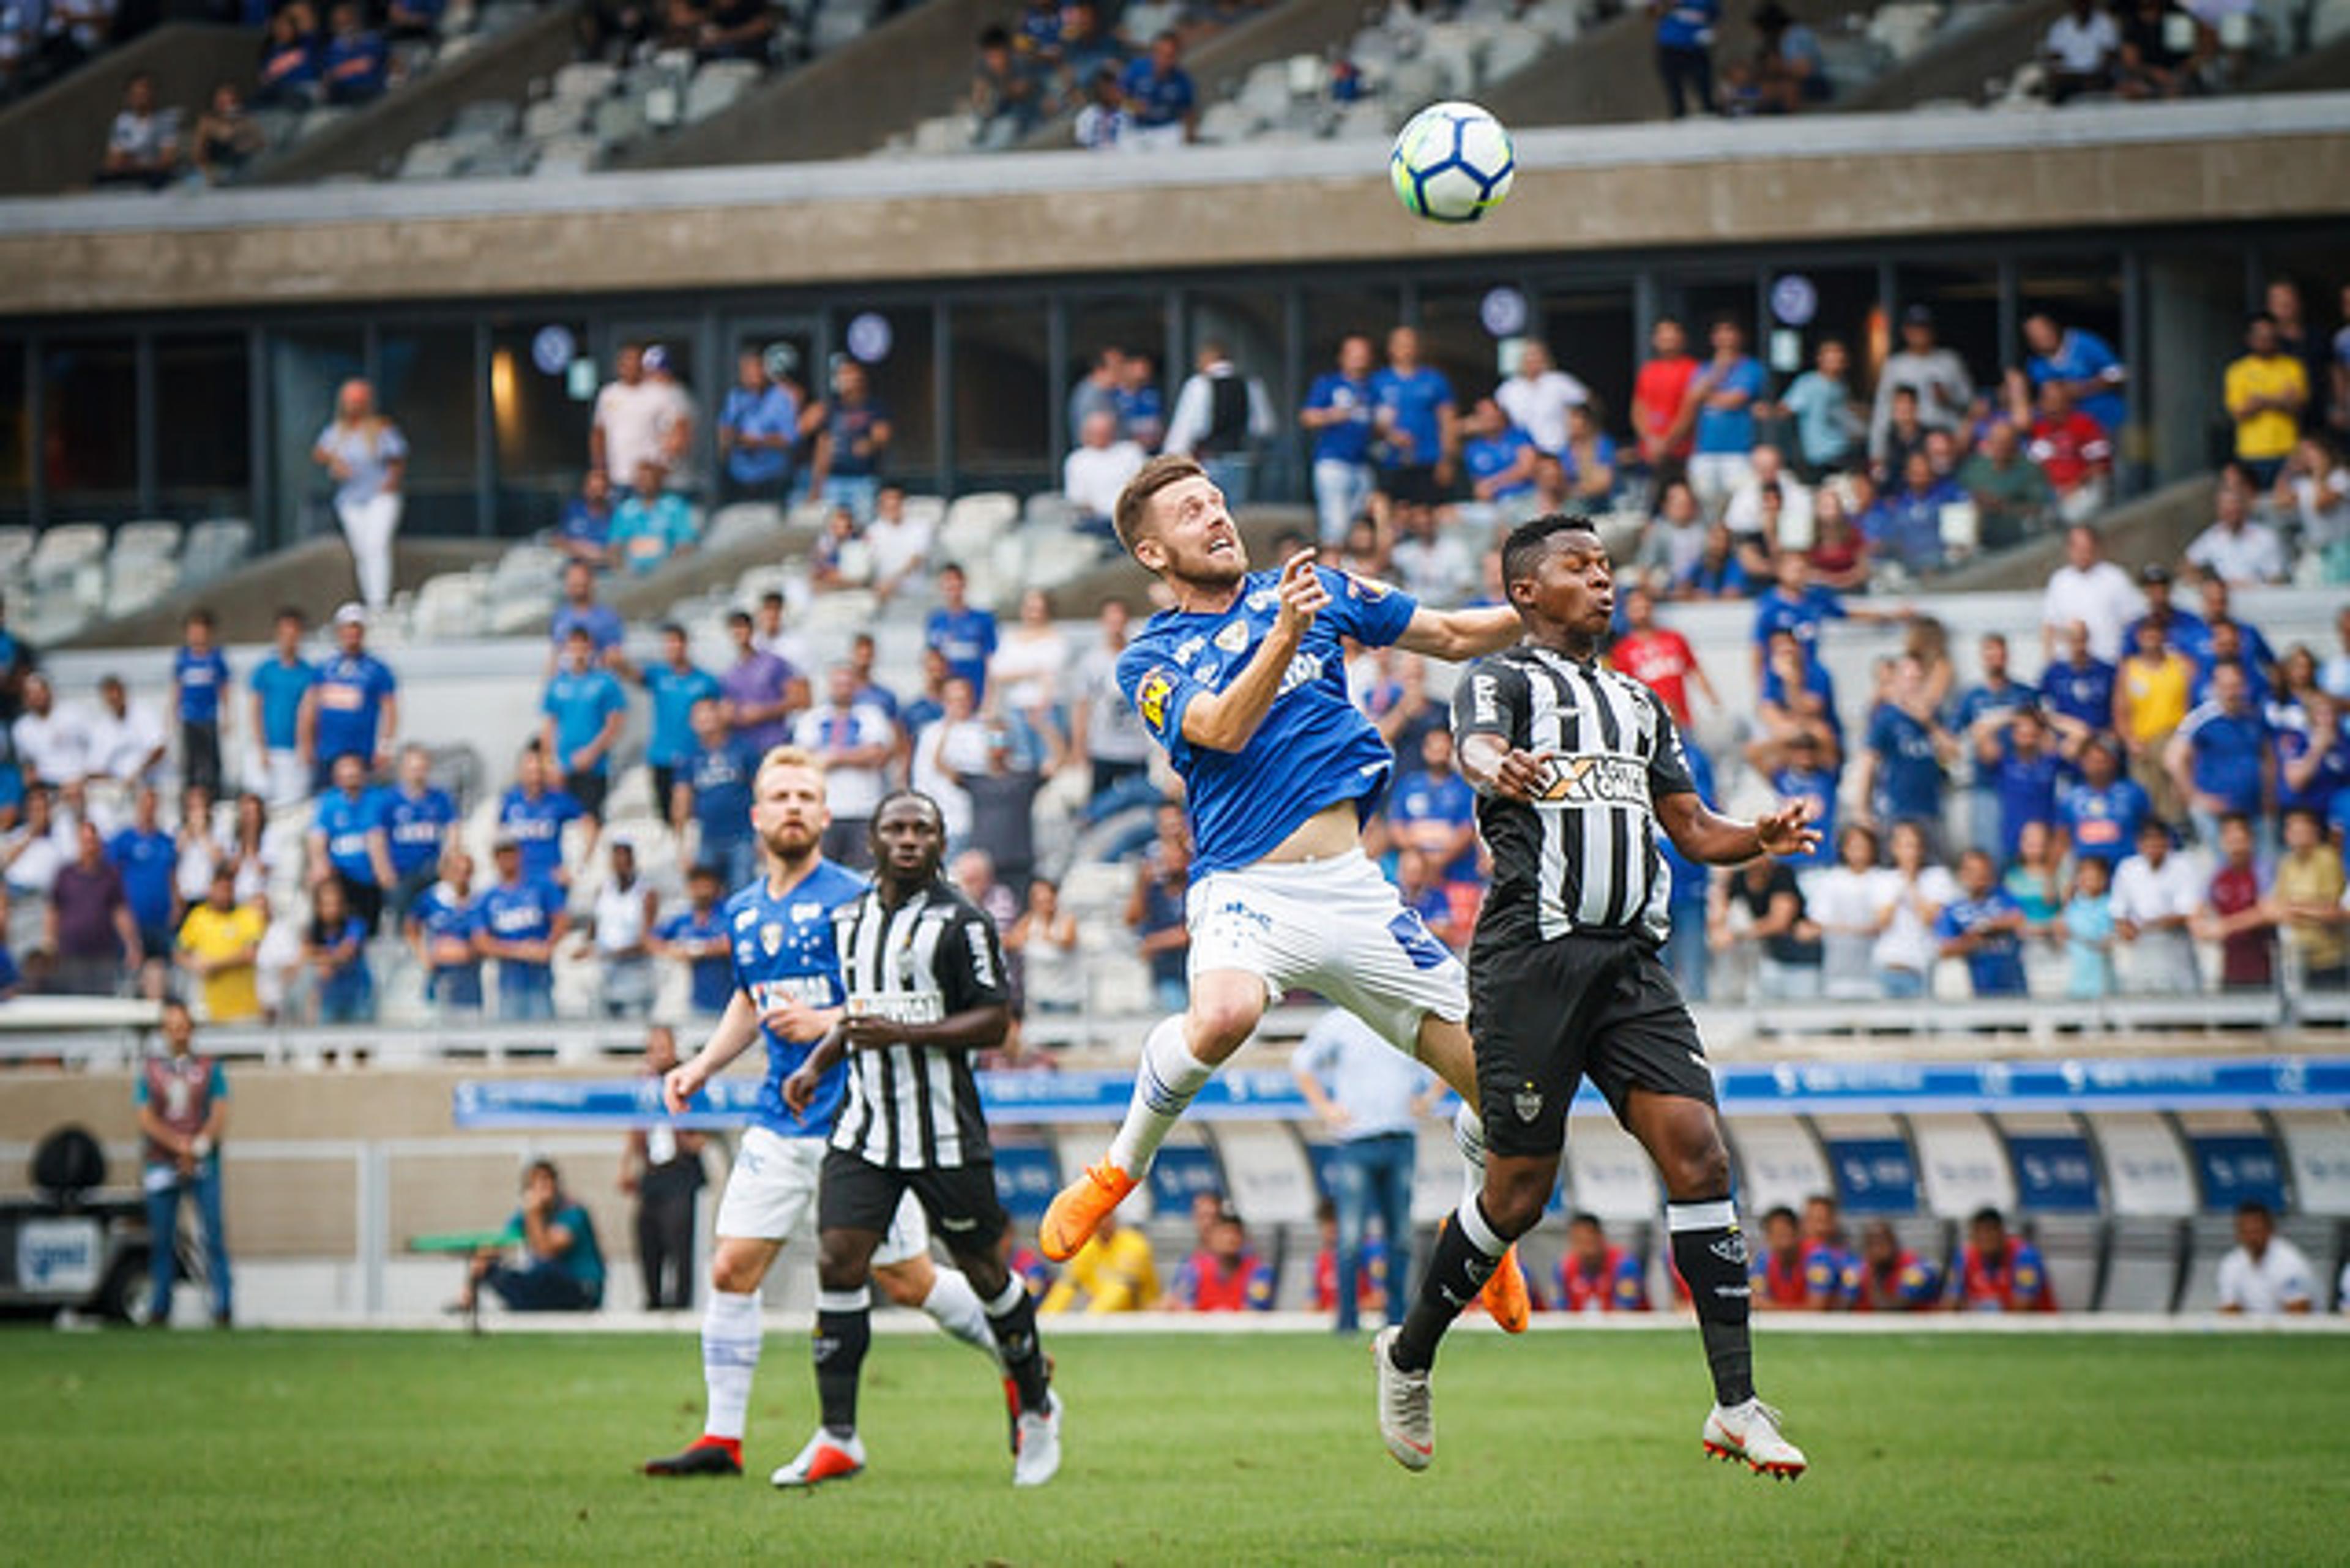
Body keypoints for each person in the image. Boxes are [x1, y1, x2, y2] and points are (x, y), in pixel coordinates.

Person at [1035, 455, 1534, 1337]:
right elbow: (1221, 727)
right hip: (1246, 888)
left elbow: (1453, 636)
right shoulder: (1148, 657)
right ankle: (1118, 1167)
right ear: (1153, 553)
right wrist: (1282, 632)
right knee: (1223, 1015)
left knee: (1503, 1090)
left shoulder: (1315, 589)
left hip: (1354, 890)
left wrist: (1543, 610)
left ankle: (1483, 1235)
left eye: (1218, 501)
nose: (1216, 516)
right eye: (1192, 511)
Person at [1374, 514, 1816, 1479]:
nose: (1604, 580)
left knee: (1699, 1154)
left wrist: (1762, 835)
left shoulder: (1642, 703)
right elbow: (1474, 751)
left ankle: (1735, 1402)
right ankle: (1408, 1351)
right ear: (1528, 590)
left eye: (1609, 566)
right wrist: (1503, 766)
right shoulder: (1501, 677)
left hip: (1630, 964)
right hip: (1531, 957)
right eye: (1580, 567)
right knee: (1520, 1193)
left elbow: (1694, 829)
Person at [645, 763, 1010, 1479]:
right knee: (731, 1268)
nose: (793, 808)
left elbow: (908, 998)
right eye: (780, 797)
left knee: (908, 1281)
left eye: (806, 798)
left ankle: (1019, 1351)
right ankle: (722, 1439)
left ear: (822, 816)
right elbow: (751, 1002)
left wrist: (826, 1021)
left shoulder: (860, 902)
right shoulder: (744, 909)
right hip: (779, 1118)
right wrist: (701, 1065)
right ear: (757, 816)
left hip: (865, 1121)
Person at [765, 791, 1061, 1488]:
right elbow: (861, 1014)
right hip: (865, 1130)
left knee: (989, 1276)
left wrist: (909, 1036)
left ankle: (1038, 1410)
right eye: (894, 828)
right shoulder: (851, 920)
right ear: (872, 839)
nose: (907, 839)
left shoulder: (963, 922)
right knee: (839, 1261)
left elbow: (994, 1024)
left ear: (940, 841)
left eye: (921, 829)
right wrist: (814, 1065)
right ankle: (837, 1435)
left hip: (946, 1133)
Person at [1292, 1006, 1438, 1334]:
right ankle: (1347, 1320)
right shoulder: (1340, 1021)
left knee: (1400, 1236)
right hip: (1356, 1140)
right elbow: (1301, 1063)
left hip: (1400, 1136)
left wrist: (1429, 1098)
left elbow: (1443, 1059)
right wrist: (1324, 1107)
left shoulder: (1402, 1015)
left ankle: (1397, 1318)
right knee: (1351, 1237)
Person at [135, 998, 233, 1326]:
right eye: (172, 1027)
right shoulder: (150, 1072)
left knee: (213, 1236)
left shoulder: (209, 1068)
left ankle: (224, 1305)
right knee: (162, 1240)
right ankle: (160, 1307)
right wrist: (178, 1145)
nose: (178, 1033)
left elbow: (219, 1111)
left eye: (183, 1026)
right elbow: (146, 1118)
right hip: (163, 1163)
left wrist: (198, 1146)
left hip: (203, 1163)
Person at [624, 1025, 709, 1312]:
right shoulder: (643, 1083)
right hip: (652, 1170)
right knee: (646, 1234)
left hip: (680, 1170)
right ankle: (653, 1300)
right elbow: (634, 1126)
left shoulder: (690, 1078)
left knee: (679, 1238)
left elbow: (704, 1128)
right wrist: (627, 1165)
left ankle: (681, 1304)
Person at [457, 1160, 605, 1313]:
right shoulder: (525, 1214)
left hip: (582, 1286)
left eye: (547, 1181)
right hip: (547, 1283)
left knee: (543, 1267)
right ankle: (520, 1303)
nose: (542, 1187)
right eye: (536, 1183)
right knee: (491, 1268)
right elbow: (497, 1244)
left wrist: (534, 1214)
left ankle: (524, 1303)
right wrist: (471, 1285)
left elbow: (546, 1251)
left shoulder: (573, 1211)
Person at [311, 381, 405, 613]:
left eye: (359, 400)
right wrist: (335, 462)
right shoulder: (336, 432)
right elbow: (319, 453)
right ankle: (370, 601)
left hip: (379, 496)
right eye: (351, 401)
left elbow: (398, 457)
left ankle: (380, 604)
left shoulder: (380, 428)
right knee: (362, 550)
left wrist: (390, 482)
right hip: (351, 499)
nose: (354, 406)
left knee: (377, 544)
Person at [1163, 340, 1277, 507]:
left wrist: (1171, 460)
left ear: (1207, 359)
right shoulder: (1250, 384)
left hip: (1209, 459)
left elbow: (1185, 428)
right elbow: (1265, 426)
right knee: (1234, 516)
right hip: (1241, 459)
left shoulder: (1199, 385)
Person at [474, 833, 568, 1021]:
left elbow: (561, 919)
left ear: (520, 855)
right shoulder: (488, 897)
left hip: (540, 980)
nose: (507, 860)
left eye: (511, 853)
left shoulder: (541, 886)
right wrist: (520, 951)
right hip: (509, 983)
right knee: (513, 1040)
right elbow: (481, 941)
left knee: (543, 1037)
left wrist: (548, 946)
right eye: (502, 855)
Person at [302, 605, 397, 790]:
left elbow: (390, 709)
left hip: (362, 753)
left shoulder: (377, 670)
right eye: (347, 628)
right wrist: (306, 743)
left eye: (356, 628)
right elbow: (310, 707)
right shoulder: (324, 668)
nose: (352, 634)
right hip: (328, 752)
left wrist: (385, 746)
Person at [674, 697, 763, 890]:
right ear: (692, 723)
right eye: (699, 715)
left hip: (743, 837)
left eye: (709, 712)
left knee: (742, 892)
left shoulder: (744, 750)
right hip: (706, 838)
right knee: (707, 898)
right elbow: (682, 800)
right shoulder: (690, 757)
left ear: (721, 716)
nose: (705, 719)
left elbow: (761, 791)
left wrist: (763, 835)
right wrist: (683, 845)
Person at [1370, 326, 1458, 516]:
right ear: (1391, 348)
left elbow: (1448, 421)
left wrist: (1447, 459)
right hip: (1391, 462)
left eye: (1411, 345)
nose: (1406, 349)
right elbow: (1371, 423)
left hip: (1428, 459)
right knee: (1396, 516)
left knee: (1428, 515)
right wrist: (1391, 435)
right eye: (1401, 345)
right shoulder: (1378, 382)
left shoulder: (1435, 380)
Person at [1301, 334, 1379, 547]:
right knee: (1335, 525)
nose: (1359, 359)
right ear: (1343, 357)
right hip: (1333, 462)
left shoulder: (1372, 388)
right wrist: (1331, 415)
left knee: (1359, 526)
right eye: (1354, 354)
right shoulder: (1329, 383)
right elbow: (1307, 417)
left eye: (1363, 354)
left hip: (1362, 464)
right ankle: (1331, 572)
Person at [1871, 305, 1974, 465]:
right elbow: (1882, 410)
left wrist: (1948, 398)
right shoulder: (1895, 365)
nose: (1919, 333)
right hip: (1908, 439)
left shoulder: (1950, 360)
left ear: (1932, 331)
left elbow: (1970, 404)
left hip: (1945, 436)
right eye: (1914, 328)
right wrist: (1877, 451)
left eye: (1924, 328)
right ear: (1906, 331)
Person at [2110, 819, 2201, 994]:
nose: (2153, 845)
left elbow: (2185, 912)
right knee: (2143, 1005)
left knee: (2185, 1005)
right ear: (2139, 843)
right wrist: (2125, 927)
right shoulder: (2128, 868)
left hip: (2176, 943)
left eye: (2158, 839)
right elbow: (2118, 909)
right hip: (2142, 946)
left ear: (2168, 842)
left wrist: (2144, 926)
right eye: (2148, 840)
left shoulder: (2183, 865)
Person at [51, 820, 140, 996]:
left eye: (93, 841)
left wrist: (132, 945)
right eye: (85, 841)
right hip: (70, 954)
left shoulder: (111, 875)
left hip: (103, 955)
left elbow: (120, 912)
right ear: (78, 843)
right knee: (73, 1004)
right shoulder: (65, 874)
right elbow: (54, 911)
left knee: (101, 1002)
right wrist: (50, 941)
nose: (89, 846)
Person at [2223, 313, 2309, 490]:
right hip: (2252, 452)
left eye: (2270, 336)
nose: (2266, 340)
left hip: (2288, 450)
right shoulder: (2237, 371)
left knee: (2289, 507)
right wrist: (2280, 400)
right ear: (2250, 339)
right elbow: (2239, 413)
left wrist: (2261, 401)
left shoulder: (2292, 367)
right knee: (2258, 508)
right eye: (2260, 337)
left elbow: (2298, 406)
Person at [2041, 525, 2142, 665]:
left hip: (2109, 665)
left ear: (2096, 548)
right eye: (2076, 548)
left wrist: (2127, 661)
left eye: (2086, 548)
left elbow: (2134, 622)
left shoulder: (2115, 578)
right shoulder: (2059, 581)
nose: (2082, 553)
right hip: (2070, 668)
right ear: (2069, 550)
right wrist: (2049, 663)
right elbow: (2049, 628)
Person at [1934, 848, 2029, 998]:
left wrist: (1987, 926)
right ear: (1962, 874)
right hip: (1979, 990)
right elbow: (1945, 949)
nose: (1979, 877)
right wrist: (1971, 942)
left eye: (1983, 871)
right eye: (1973, 871)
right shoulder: (1953, 910)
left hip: (2014, 987)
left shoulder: (2002, 896)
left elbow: (2018, 919)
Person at [2196, 813, 2275, 992]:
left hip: (2262, 965)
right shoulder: (2217, 875)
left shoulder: (2263, 870)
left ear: (2251, 841)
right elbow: (2198, 910)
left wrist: (2226, 926)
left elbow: (2268, 911)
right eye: (2231, 841)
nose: (2236, 847)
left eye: (2240, 840)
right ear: (2222, 843)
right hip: (2229, 966)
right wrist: (2199, 926)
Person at [176, 866, 266, 1024]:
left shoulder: (247, 916)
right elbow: (180, 952)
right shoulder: (198, 917)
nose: (225, 895)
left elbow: (250, 954)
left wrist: (214, 965)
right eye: (220, 889)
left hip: (244, 1010)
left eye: (228, 889)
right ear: (211, 889)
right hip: (208, 1010)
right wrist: (195, 965)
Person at [807, 359, 892, 523]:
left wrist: (870, 444)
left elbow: (883, 435)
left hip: (863, 479)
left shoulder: (874, 407)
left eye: (852, 375)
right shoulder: (832, 409)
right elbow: (823, 446)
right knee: (832, 528)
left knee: (863, 525)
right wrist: (816, 485)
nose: (848, 380)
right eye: (843, 376)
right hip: (834, 480)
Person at [248, 608, 317, 808]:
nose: (289, 639)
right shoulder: (265, 670)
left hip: (295, 752)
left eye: (294, 633)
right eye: (285, 633)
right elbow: (255, 710)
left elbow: (309, 712)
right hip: (268, 751)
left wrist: (306, 747)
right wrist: (261, 748)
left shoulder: (309, 673)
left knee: (293, 806)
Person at [405, 846, 483, 1019]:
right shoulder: (431, 898)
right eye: (457, 871)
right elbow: (411, 926)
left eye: (466, 871)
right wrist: (424, 953)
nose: (462, 876)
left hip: (470, 977)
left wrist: (468, 951)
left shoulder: (479, 900)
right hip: (440, 976)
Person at [716, 348, 800, 502]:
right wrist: (731, 439)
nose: (752, 374)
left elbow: (790, 438)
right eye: (747, 370)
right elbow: (723, 431)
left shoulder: (780, 398)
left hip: (771, 480)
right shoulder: (735, 397)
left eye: (756, 368)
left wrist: (759, 441)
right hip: (738, 480)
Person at [2023, 311, 2127, 436]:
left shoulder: (2084, 342)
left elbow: (2119, 374)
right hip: (2074, 432)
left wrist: (2083, 388)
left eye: (2044, 330)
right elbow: (2049, 398)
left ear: (2053, 327)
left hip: (2110, 421)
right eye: (2035, 335)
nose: (2042, 336)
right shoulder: (2036, 364)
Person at [498, 745, 588, 888]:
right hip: (520, 880)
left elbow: (590, 826)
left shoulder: (560, 799)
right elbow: (500, 838)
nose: (535, 776)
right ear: (521, 772)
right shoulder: (510, 800)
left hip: (551, 879)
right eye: (530, 770)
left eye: (538, 771)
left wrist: (576, 867)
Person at [1038, 1212, 1159, 1313]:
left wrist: (1091, 1318)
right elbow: (1067, 1285)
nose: (1100, 1223)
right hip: (1105, 1317)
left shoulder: (1135, 1244)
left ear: (1114, 1218)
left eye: (1105, 1217)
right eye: (1094, 1218)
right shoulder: (1086, 1247)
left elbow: (1122, 1289)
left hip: (1141, 1315)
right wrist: (1046, 1316)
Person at [593, 837, 658, 1018]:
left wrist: (615, 953)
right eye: (616, 858)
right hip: (607, 971)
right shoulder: (602, 890)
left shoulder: (646, 893)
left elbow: (648, 938)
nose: (620, 863)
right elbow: (596, 929)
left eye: (624, 858)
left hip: (635, 971)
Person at [1165, 1206, 1275, 1311]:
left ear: (1243, 1238)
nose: (1230, 1238)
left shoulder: (1258, 1271)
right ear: (1211, 1237)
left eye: (1235, 1232)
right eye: (1224, 1232)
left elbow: (1255, 1311)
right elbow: (1179, 1305)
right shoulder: (1194, 1270)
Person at [2216, 1199, 2315, 1315]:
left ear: (2270, 1230)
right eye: (2245, 1231)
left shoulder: (2290, 1262)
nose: (2251, 1238)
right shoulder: (2230, 1263)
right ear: (2238, 1233)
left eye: (2256, 1231)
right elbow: (2228, 1310)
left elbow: (2299, 1312)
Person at [170, 610, 230, 799]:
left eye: (201, 631)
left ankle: (215, 796)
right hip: (190, 718)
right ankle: (189, 801)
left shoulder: (216, 658)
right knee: (191, 764)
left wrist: (227, 714)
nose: (197, 636)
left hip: (209, 718)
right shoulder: (183, 658)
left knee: (212, 763)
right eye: (193, 631)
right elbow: (177, 687)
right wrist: (173, 714)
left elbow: (224, 688)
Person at [1952, 1208, 2054, 1312]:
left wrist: (1976, 1308)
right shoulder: (1964, 1256)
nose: (1985, 1238)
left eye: (1990, 1231)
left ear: (2002, 1233)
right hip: (1985, 1325)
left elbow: (2023, 1307)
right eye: (1979, 1233)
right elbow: (1950, 1304)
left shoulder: (2025, 1256)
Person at [610, 459, 697, 577]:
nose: (642, 483)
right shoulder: (624, 511)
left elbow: (685, 543)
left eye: (647, 479)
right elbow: (615, 547)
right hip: (632, 576)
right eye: (639, 479)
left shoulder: (674, 506)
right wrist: (621, 571)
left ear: (658, 480)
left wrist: (671, 568)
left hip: (666, 575)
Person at [1064, 408, 1147, 531]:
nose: (1101, 436)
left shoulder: (1131, 452)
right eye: (1096, 432)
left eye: (1105, 431)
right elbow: (1079, 501)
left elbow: (1142, 488)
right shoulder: (1077, 460)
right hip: (1097, 522)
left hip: (1130, 517)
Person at [305, 876, 373, 1024]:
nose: (333, 909)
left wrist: (322, 957)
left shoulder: (355, 925)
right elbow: (304, 955)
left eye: (337, 904)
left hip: (358, 998)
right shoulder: (314, 930)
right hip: (329, 1001)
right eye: (327, 905)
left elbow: (345, 954)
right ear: (318, 907)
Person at [95, 73, 180, 190]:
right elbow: (112, 161)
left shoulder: (166, 120)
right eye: (136, 95)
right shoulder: (121, 122)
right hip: (128, 175)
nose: (141, 98)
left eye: (144, 94)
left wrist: (133, 162)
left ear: (152, 94)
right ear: (129, 97)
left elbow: (167, 159)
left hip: (154, 177)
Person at [1556, 1213, 1649, 1313]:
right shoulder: (1564, 1268)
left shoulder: (1624, 1265)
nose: (1585, 1249)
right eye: (1579, 1241)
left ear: (1600, 1237)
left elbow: (1625, 1310)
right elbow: (1560, 1313)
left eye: (1589, 1241)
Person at [1851, 1220, 1940, 1312]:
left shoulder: (1916, 1269)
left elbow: (1893, 1310)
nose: (1876, 1250)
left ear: (1894, 1243)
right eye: (1870, 1244)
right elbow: (1842, 1309)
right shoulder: (1858, 1270)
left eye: (1881, 1242)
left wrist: (1874, 1274)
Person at [1652, 0, 1718, 116]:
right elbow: (1652, 12)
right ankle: (1679, 114)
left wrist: (1709, 30)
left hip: (1696, 47)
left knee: (1704, 85)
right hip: (1671, 47)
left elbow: (1714, 15)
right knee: (1674, 87)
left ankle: (1709, 110)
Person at [556, 470, 616, 570]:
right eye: (592, 489)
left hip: (603, 570)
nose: (595, 494)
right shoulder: (574, 509)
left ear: (607, 492)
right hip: (575, 567)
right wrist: (580, 549)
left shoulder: (614, 516)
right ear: (585, 489)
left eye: (600, 490)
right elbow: (558, 540)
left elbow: (619, 551)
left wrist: (599, 555)